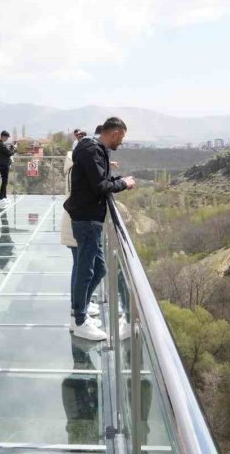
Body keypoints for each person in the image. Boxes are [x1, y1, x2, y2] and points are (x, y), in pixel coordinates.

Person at [65, 117, 135, 341]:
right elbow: (100, 186)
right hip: (86, 219)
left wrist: (117, 179)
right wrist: (124, 183)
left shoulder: (93, 150)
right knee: (86, 271)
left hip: (90, 218)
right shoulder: (92, 151)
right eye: (121, 138)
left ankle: (81, 312)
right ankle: (78, 321)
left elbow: (99, 179)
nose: (120, 143)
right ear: (114, 134)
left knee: (100, 269)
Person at [61, 146, 100, 323]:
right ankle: (79, 313)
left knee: (83, 268)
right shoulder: (78, 168)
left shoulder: (73, 165)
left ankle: (80, 306)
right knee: (82, 269)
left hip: (75, 222)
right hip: (79, 222)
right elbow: (98, 187)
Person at [0, 130, 14, 207]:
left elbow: (3, 154)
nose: (7, 139)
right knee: (4, 181)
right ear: (3, 136)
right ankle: (1, 198)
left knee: (5, 181)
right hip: (4, 165)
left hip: (1, 165)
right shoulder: (1, 145)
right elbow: (9, 153)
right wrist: (14, 149)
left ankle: (4, 197)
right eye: (6, 137)